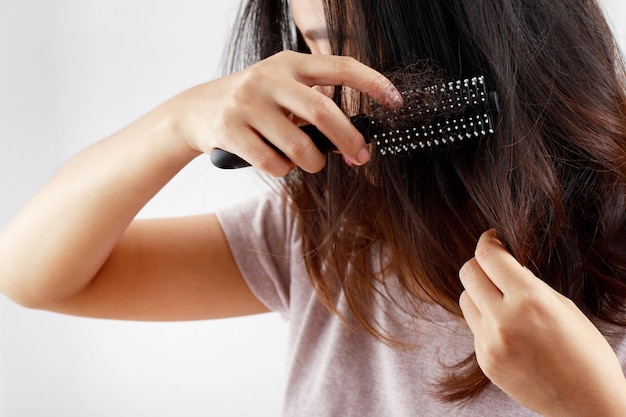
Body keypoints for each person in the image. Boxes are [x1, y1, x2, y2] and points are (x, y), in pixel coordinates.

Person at [1, 0, 626, 415]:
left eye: (349, 46)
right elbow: (34, 276)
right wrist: (175, 124)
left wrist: (592, 406)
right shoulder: (327, 237)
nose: (321, 89)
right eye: (311, 46)